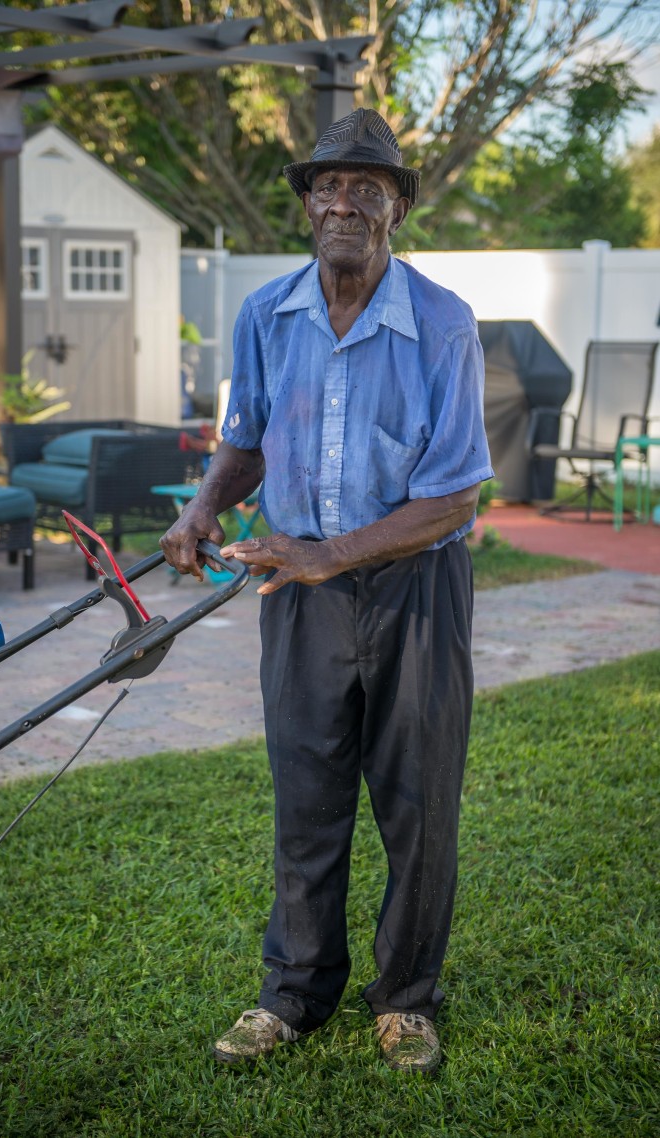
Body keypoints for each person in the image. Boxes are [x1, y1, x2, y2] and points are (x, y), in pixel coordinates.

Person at [160, 107, 494, 1075]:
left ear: (396, 208)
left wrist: (326, 552)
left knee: (415, 804)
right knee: (305, 799)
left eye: (368, 187)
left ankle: (406, 1000)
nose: (345, 201)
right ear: (307, 203)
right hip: (302, 599)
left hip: (416, 592)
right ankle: (293, 993)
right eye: (328, 186)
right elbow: (248, 437)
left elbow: (454, 492)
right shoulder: (266, 312)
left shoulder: (440, 322)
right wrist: (199, 511)